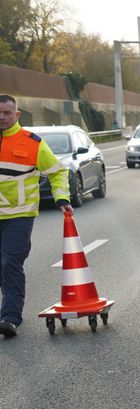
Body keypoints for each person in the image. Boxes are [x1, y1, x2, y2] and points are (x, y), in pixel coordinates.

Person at [0, 95, 71, 340]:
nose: (2, 117)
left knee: (10, 262)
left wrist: (62, 198)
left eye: (7, 113)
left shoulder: (33, 143)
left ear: (17, 115)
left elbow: (58, 172)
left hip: (19, 216)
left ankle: (9, 318)